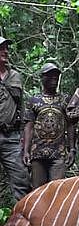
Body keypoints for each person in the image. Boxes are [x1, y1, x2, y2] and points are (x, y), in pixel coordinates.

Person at [23, 63, 75, 188]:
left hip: (58, 154)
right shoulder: (33, 100)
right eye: (50, 75)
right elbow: (29, 127)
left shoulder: (65, 99)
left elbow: (70, 125)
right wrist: (26, 151)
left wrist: (72, 149)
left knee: (57, 191)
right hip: (37, 154)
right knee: (38, 191)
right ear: (42, 78)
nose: (54, 78)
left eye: (56, 76)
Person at [0, 36, 30, 201]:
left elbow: (22, 108)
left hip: (11, 137)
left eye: (6, 48)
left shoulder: (15, 76)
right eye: (2, 48)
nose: (5, 52)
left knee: (21, 180)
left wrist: (23, 138)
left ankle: (21, 223)